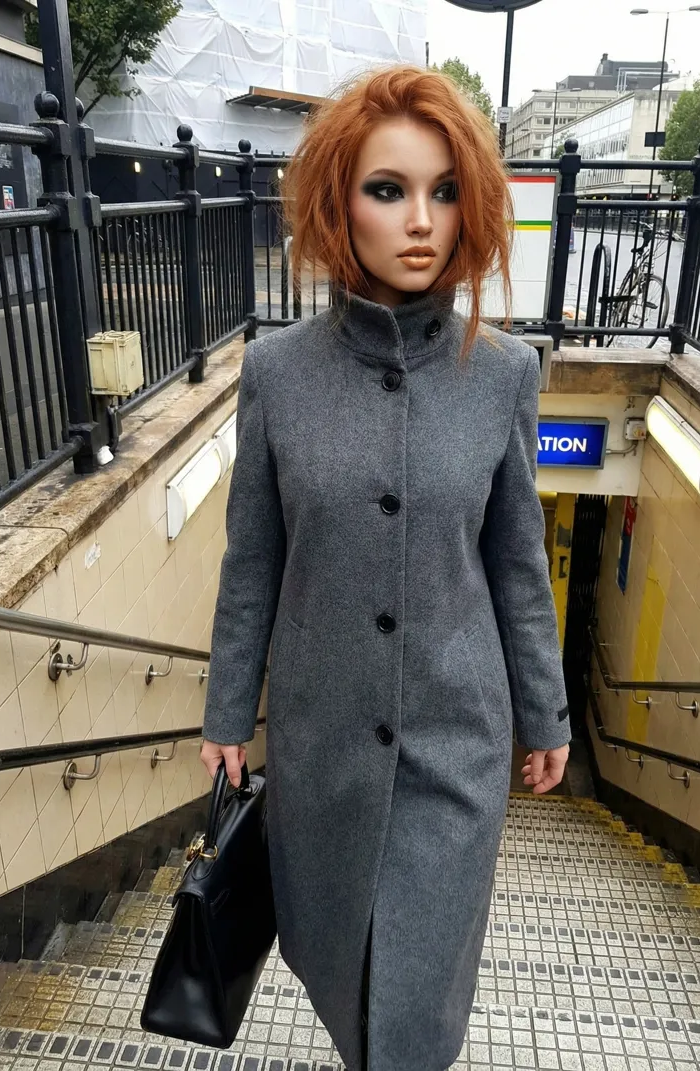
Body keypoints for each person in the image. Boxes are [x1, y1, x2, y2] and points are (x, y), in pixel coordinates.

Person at [199, 63, 571, 1071]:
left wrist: (545, 714)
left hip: (456, 743)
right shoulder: (277, 373)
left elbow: (515, 563)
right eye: (387, 188)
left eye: (444, 192)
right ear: (339, 203)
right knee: (344, 975)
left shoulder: (502, 374)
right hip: (320, 742)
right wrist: (227, 713)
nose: (420, 221)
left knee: (415, 1013)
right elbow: (252, 559)